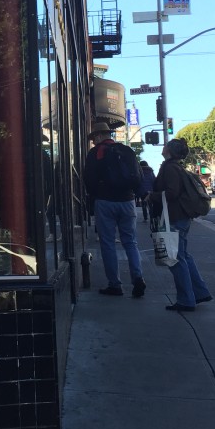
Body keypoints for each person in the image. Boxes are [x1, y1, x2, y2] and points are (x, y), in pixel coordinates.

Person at [83, 122, 147, 297]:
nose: (93, 141)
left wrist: (95, 195)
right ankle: (138, 278)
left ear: (97, 136)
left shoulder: (95, 153)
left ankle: (115, 284)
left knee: (108, 243)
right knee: (130, 242)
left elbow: (88, 179)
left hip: (105, 201)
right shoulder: (126, 151)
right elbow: (138, 176)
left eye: (94, 138)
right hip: (127, 201)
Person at [154, 138, 212, 312]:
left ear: (169, 151)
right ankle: (199, 292)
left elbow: (172, 193)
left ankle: (186, 299)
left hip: (174, 217)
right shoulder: (177, 167)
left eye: (166, 146)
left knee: (176, 259)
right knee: (183, 256)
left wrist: (153, 195)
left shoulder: (170, 168)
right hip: (181, 217)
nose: (163, 147)